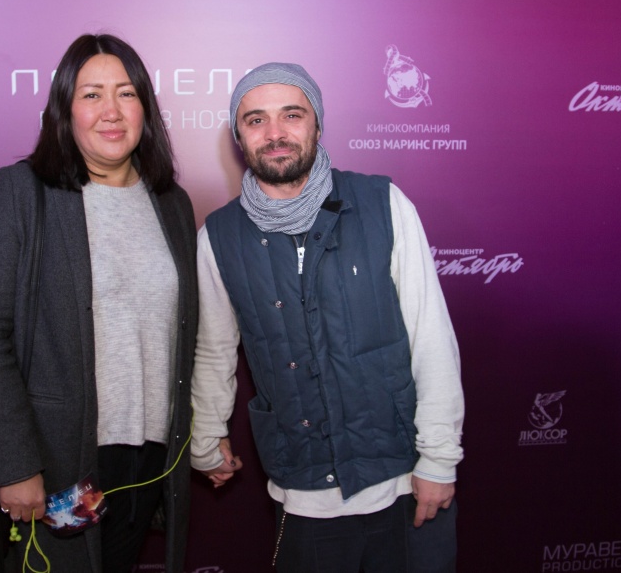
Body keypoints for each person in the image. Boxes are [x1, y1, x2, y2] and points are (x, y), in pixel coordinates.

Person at [190, 62, 464, 572]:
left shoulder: (382, 204)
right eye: (256, 120)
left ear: (317, 124)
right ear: (238, 136)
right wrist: (206, 438)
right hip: (304, 490)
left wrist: (439, 459)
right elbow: (213, 350)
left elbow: (431, 337)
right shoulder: (219, 237)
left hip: (405, 481)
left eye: (292, 115)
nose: (275, 133)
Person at [0, 33, 198, 573]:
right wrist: (14, 465)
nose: (111, 111)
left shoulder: (172, 204)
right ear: (65, 109)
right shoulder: (22, 193)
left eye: (126, 93)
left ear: (146, 109)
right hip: (58, 461)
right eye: (91, 95)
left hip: (147, 460)